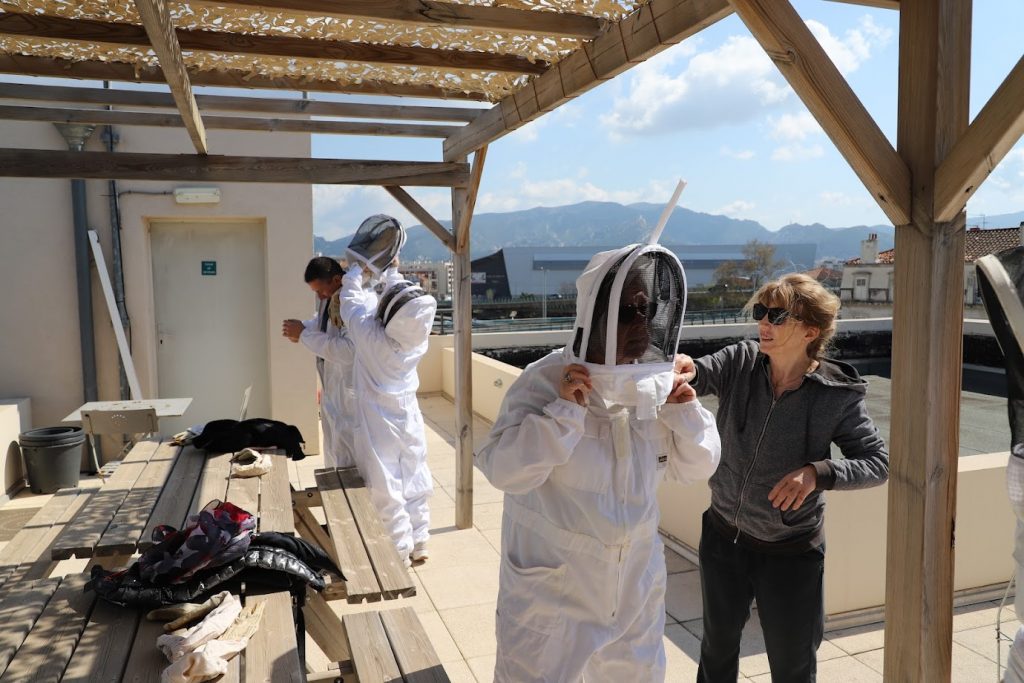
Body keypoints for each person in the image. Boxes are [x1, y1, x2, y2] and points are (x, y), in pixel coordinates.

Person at [476, 244, 721, 682]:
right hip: (553, 591)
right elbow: (503, 470)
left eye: (647, 310)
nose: (641, 324)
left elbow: (695, 467)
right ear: (595, 314)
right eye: (627, 312)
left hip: (635, 587)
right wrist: (562, 416)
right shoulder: (544, 380)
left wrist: (684, 409)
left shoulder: (655, 383)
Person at [675, 273, 889, 682]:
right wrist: (685, 371)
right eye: (761, 312)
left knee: (792, 668)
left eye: (776, 315)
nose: (763, 323)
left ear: (811, 331)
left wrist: (817, 473)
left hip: (791, 554)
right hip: (723, 537)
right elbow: (700, 372)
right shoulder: (740, 361)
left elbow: (878, 462)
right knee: (716, 651)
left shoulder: (836, 395)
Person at [338, 230, 437, 566]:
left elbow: (351, 301)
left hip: (378, 418)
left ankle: (399, 553)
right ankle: (420, 540)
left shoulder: (371, 337)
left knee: (386, 483)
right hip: (408, 413)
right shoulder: (417, 342)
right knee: (415, 473)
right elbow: (404, 303)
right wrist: (392, 270)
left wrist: (356, 269)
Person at [282, 256, 357, 469]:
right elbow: (322, 324)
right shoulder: (330, 299)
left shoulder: (352, 303)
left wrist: (304, 334)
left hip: (348, 391)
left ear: (336, 280)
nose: (319, 296)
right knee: (334, 450)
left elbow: (348, 350)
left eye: (320, 290)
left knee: (349, 455)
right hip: (332, 388)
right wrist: (302, 328)